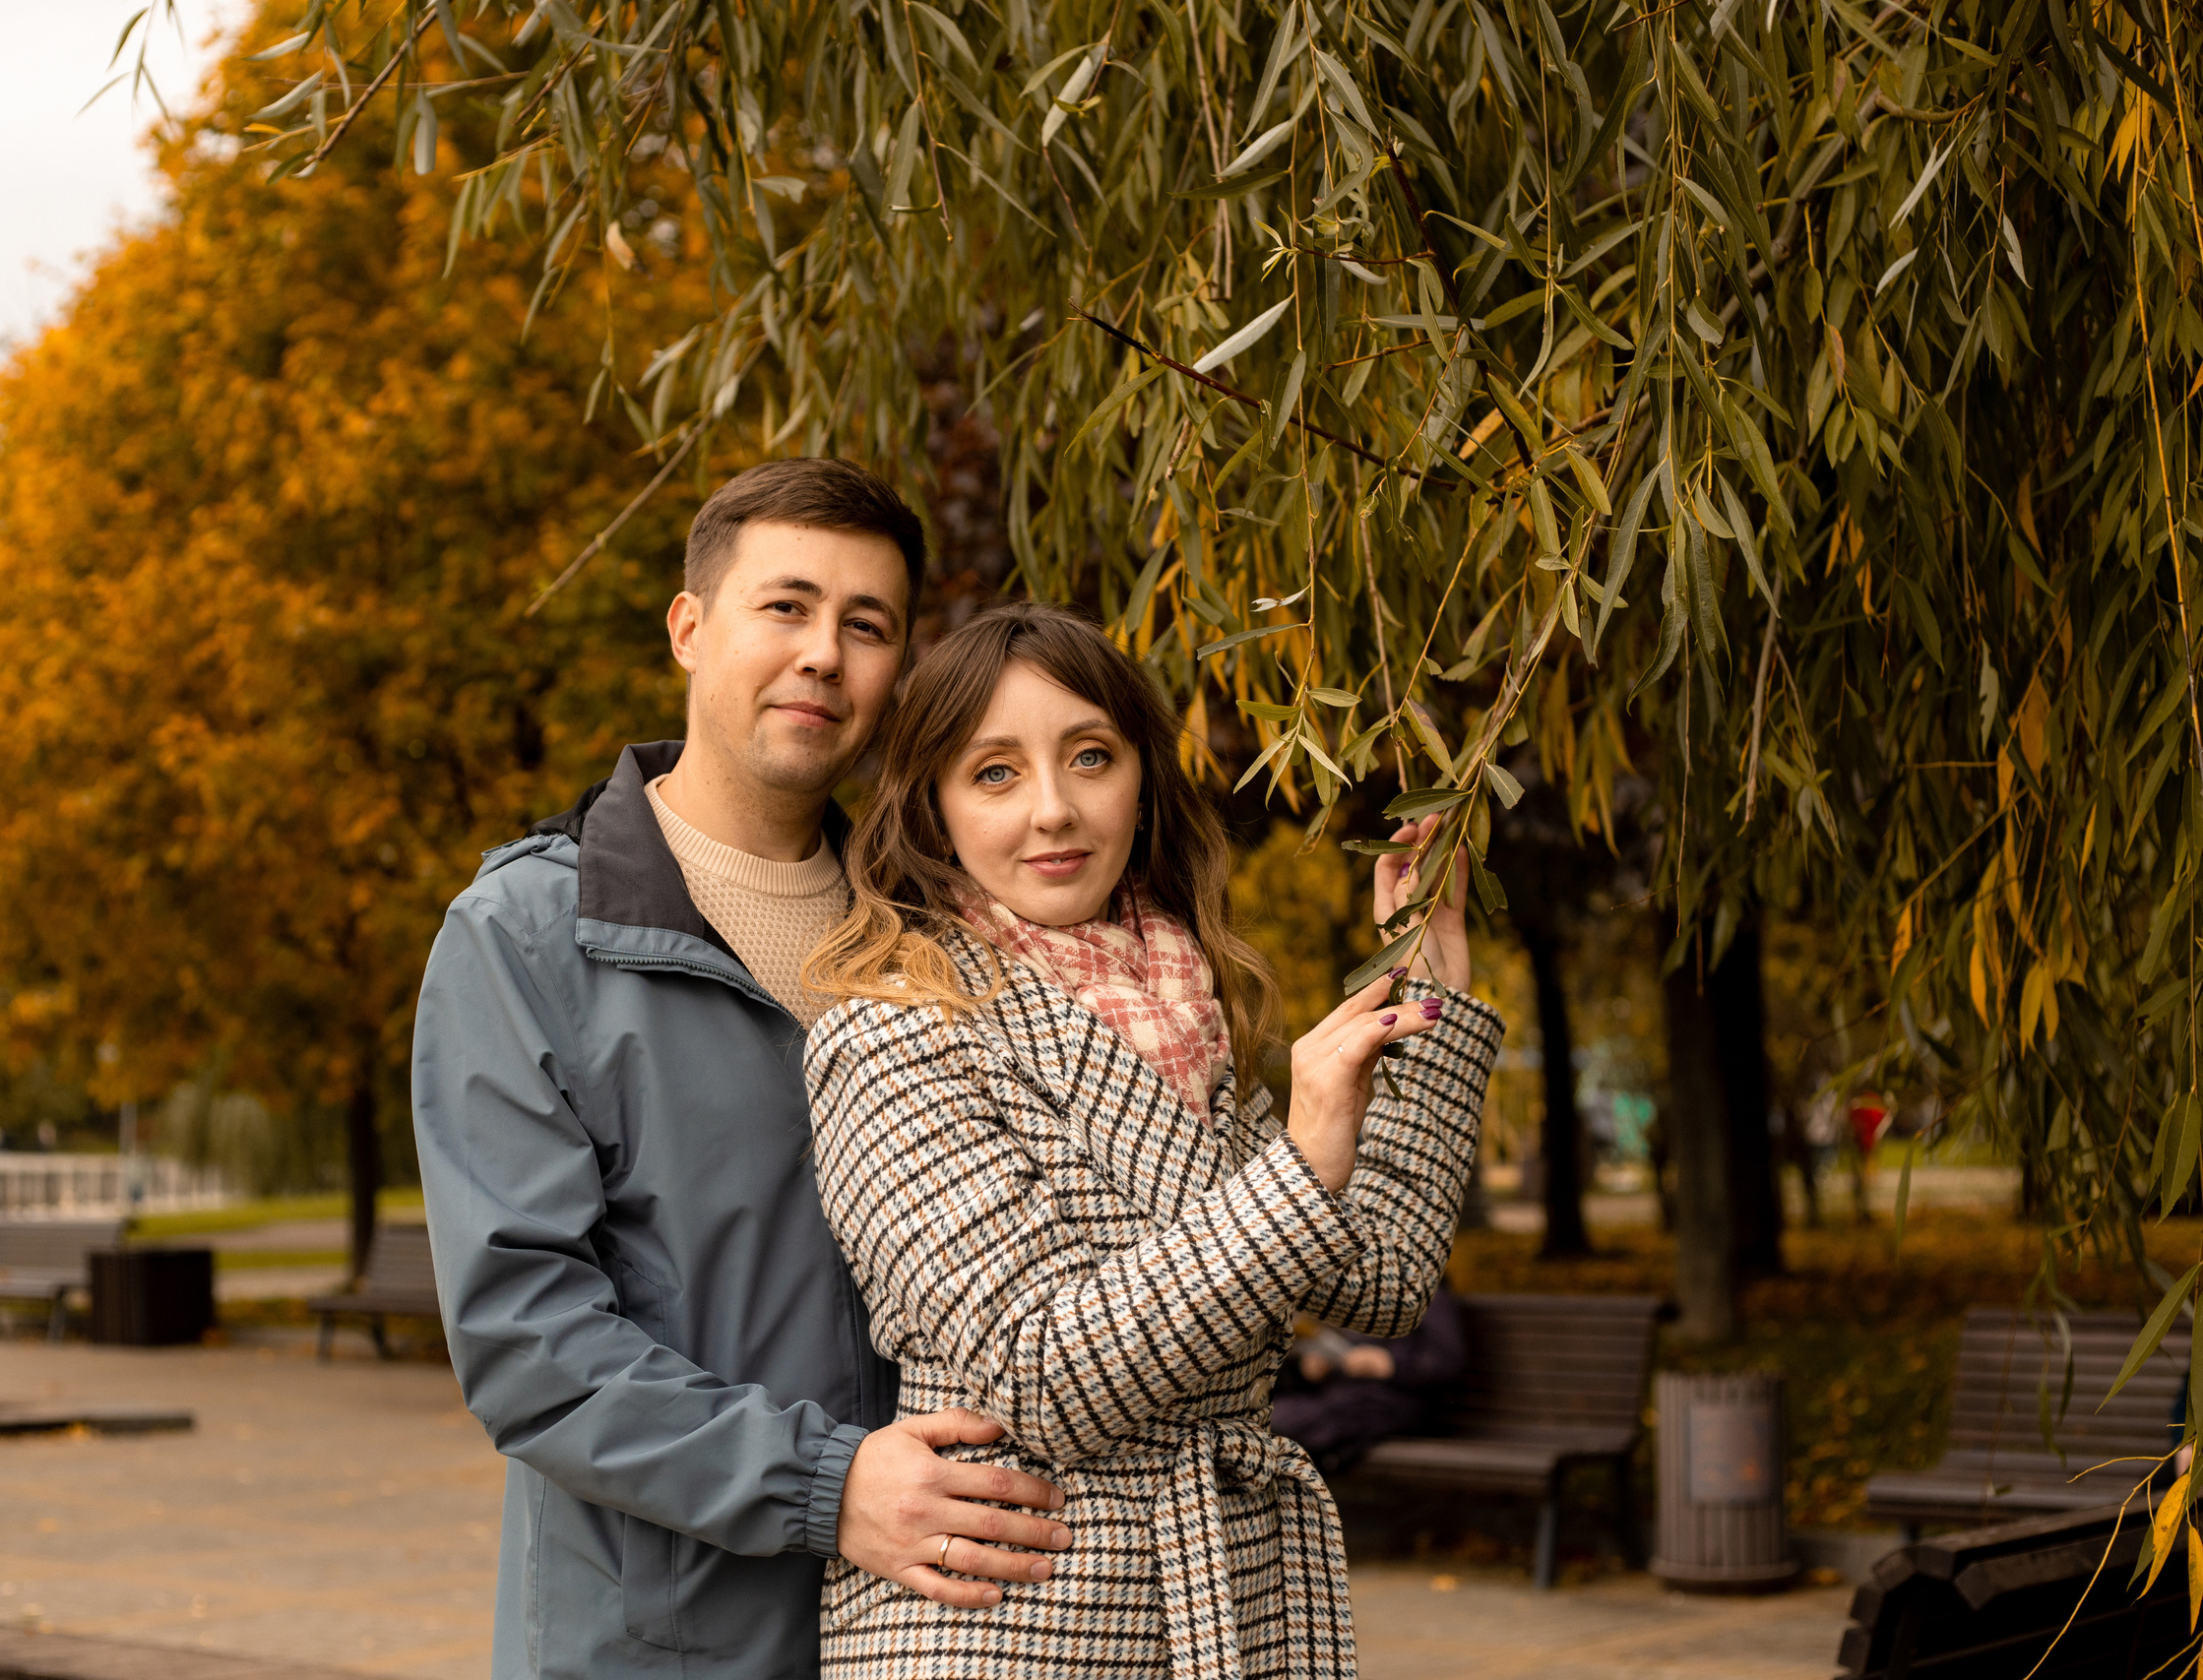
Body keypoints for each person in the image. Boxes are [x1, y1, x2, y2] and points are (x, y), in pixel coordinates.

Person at [411, 462, 1074, 1680]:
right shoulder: (523, 938)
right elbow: (527, 1341)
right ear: (689, 627)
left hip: (935, 1634)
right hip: (660, 1647)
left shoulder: (939, 937)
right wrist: (826, 1485)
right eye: (787, 606)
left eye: (865, 625)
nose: (824, 653)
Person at [801, 602, 1505, 1678]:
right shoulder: (889, 1031)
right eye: (993, 773)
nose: (1053, 810)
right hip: (1008, 1619)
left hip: (1224, 1594)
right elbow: (1040, 1376)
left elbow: (1384, 1282)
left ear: (1141, 776)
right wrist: (1297, 1167)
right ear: (934, 810)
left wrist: (1429, 985)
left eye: (1090, 756)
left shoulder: (1191, 1007)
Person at [1272, 1284, 1470, 1474]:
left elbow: (1446, 1359)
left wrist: (1390, 1364)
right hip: (1344, 1398)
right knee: (1272, 1421)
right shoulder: (1366, 1292)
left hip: (1392, 1403)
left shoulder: (1429, 1295)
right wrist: (1315, 1366)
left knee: (1285, 1426)